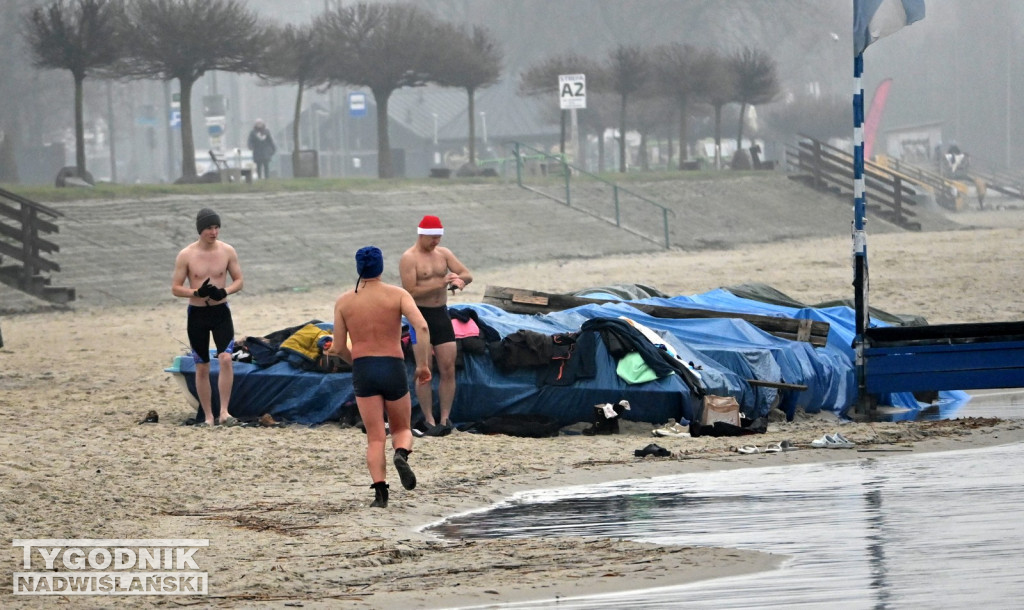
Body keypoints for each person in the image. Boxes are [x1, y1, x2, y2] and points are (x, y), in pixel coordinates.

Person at [327, 246, 432, 508]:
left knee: (375, 437)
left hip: (364, 369)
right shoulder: (397, 295)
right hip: (392, 366)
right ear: (381, 267)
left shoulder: (344, 301)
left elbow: (338, 348)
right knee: (402, 428)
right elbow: (421, 325)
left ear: (358, 269)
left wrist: (357, 364)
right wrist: (422, 365)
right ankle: (401, 454)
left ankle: (380, 495)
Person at [399, 215, 473, 434]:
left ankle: (445, 418)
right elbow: (410, 291)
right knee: (425, 369)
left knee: (448, 367)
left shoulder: (444, 253)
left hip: (441, 314)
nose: (436, 242)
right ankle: (429, 419)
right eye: (432, 238)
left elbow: (467, 274)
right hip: (419, 315)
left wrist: (460, 281)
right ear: (422, 234)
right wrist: (441, 283)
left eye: (439, 238)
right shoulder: (409, 258)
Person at [171, 208, 244, 426]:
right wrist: (195, 292)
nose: (214, 232)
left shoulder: (227, 251)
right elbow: (175, 288)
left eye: (216, 227)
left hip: (221, 312)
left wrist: (225, 291)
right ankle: (208, 416)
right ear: (200, 230)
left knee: (226, 358)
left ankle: (224, 412)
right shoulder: (187, 255)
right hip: (197, 314)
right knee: (201, 365)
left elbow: (239, 280)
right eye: (209, 228)